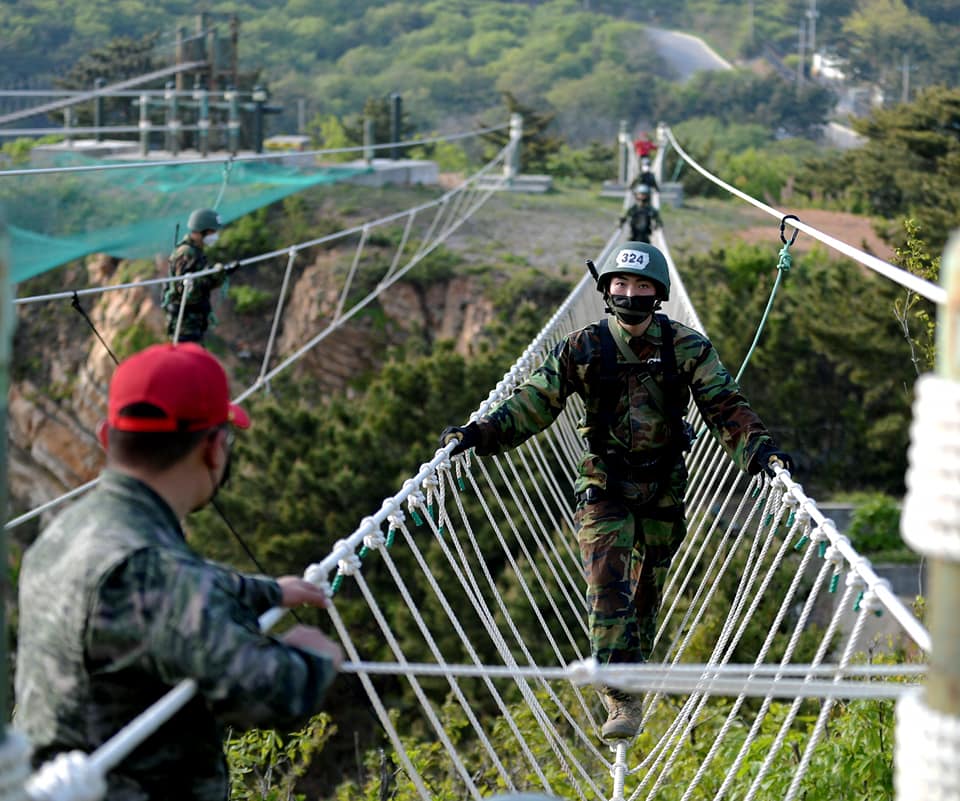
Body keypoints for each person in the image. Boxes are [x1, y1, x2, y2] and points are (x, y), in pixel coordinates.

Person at [439, 242, 792, 741]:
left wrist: (761, 454)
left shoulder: (686, 347)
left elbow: (724, 405)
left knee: (645, 593)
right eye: (621, 285)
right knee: (608, 582)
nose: (630, 294)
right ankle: (619, 694)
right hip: (603, 480)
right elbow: (536, 400)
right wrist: (479, 433)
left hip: (664, 483)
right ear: (605, 290)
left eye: (642, 286)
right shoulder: (583, 347)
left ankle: (634, 671)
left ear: (659, 294)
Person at [15, 342, 343, 800]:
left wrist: (266, 592)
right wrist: (312, 658)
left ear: (107, 437)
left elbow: (167, 596)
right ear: (214, 449)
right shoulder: (154, 573)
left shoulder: (62, 534)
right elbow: (271, 692)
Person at [161, 207, 237, 344]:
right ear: (202, 231)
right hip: (184, 324)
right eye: (213, 232)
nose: (215, 235)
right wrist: (210, 274)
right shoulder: (186, 253)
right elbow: (186, 291)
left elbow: (202, 285)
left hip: (194, 322)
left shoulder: (196, 251)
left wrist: (221, 274)